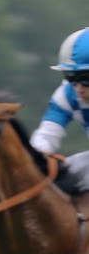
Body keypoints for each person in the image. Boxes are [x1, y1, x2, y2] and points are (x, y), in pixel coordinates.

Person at [30, 27, 89, 192]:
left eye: (86, 79)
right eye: (71, 77)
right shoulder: (67, 94)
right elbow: (46, 135)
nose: (78, 88)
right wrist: (40, 156)